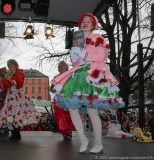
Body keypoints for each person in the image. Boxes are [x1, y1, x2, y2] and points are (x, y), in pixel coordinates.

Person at [51, 13, 124, 153]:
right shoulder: (78, 38)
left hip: (92, 74)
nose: (85, 23)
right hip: (79, 75)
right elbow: (76, 63)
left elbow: (101, 56)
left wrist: (84, 54)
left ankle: (98, 143)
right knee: (72, 108)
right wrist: (74, 55)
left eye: (88, 21)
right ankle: (83, 138)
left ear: (93, 24)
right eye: (83, 21)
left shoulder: (98, 37)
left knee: (92, 110)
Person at [0, 59, 40, 140]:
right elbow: (5, 87)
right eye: (8, 65)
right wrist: (4, 81)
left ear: (15, 65)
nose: (9, 66)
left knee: (18, 113)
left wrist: (12, 79)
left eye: (11, 64)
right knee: (10, 114)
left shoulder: (20, 72)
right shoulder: (8, 74)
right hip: (10, 96)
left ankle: (17, 134)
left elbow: (20, 84)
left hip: (18, 96)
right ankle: (13, 133)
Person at [51, 61, 73, 141]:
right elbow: (51, 89)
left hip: (67, 98)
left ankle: (69, 133)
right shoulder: (56, 77)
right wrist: (55, 89)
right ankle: (64, 132)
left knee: (68, 116)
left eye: (62, 65)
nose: (60, 67)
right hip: (58, 100)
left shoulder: (71, 76)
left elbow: (73, 87)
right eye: (59, 66)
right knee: (60, 116)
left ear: (66, 67)